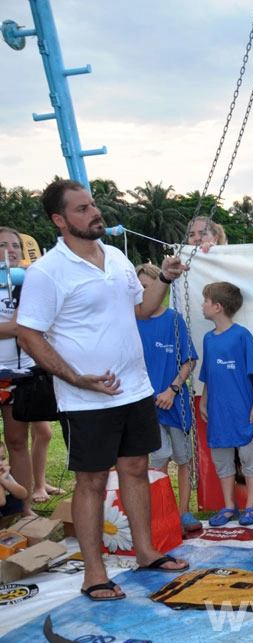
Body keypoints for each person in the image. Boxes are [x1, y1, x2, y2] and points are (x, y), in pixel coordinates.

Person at [17, 179, 190, 601]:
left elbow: (141, 309)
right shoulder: (46, 272)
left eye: (92, 205)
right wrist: (75, 378)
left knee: (135, 469)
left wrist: (163, 279)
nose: (94, 213)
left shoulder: (115, 256)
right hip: (86, 398)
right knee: (92, 481)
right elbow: (28, 334)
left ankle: (146, 552)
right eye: (81, 209)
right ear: (59, 220)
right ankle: (94, 574)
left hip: (135, 389)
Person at [135, 263, 201, 536]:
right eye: (138, 288)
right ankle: (162, 510)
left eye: (147, 287)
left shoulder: (174, 319)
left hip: (175, 401)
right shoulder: (132, 320)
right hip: (145, 405)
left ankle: (184, 511)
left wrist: (172, 390)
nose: (142, 293)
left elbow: (188, 361)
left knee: (183, 458)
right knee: (158, 458)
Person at [199, 282, 253, 527]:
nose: (201, 305)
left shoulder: (242, 336)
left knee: (248, 458)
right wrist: (204, 400)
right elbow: (207, 374)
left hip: (242, 411)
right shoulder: (207, 339)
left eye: (205, 301)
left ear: (217, 307)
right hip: (218, 413)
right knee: (222, 460)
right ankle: (229, 506)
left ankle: (252, 505)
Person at [0, 227, 57, 510]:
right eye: (4, 245)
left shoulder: (28, 283)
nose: (11, 250)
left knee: (17, 440)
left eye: (15, 246)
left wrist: (11, 328)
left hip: (18, 375)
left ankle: (24, 511)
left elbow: (23, 328)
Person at [0, 441, 29, 519]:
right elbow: (1, 501)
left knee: (18, 502)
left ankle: (1, 527)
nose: (0, 463)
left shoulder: (4, 476)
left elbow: (23, 494)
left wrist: (3, 480)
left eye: (3, 458)